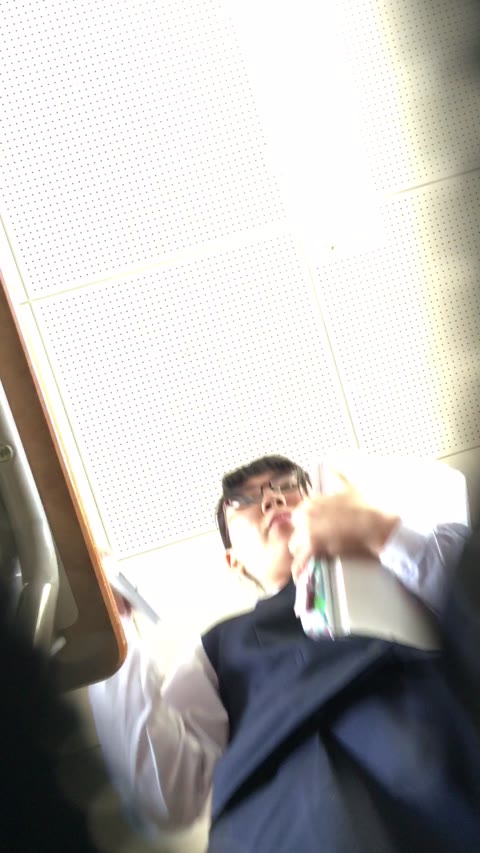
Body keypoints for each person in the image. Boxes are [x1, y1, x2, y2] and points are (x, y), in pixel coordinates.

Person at [88, 454, 480, 852]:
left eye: (287, 484)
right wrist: (111, 630)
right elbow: (163, 798)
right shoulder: (216, 651)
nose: (273, 500)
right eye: (244, 500)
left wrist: (378, 531)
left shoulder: (408, 564)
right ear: (235, 562)